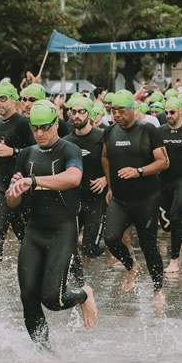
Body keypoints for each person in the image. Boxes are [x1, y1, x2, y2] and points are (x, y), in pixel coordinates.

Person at [6, 100, 98, 349]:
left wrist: (33, 181)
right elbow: (12, 201)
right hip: (34, 232)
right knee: (28, 297)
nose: (39, 133)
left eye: (45, 127)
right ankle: (44, 353)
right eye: (35, 128)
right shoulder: (26, 154)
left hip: (62, 231)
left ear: (55, 124)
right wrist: (15, 190)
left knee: (53, 298)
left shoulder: (69, 149)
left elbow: (73, 178)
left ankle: (83, 294)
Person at [101, 89, 168, 311]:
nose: (116, 115)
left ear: (132, 109)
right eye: (112, 111)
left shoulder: (148, 130)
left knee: (149, 246)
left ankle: (158, 289)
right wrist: (110, 186)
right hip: (120, 199)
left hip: (146, 199)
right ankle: (131, 267)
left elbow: (163, 162)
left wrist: (138, 171)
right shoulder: (110, 131)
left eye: (121, 110)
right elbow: (105, 157)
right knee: (110, 238)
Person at [0, 82, 34, 299]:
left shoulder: (23, 123)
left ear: (14, 100)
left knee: (26, 235)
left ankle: (34, 274)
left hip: (22, 185)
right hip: (2, 184)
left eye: (3, 99)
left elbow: (34, 151)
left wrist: (12, 151)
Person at [64, 96, 107, 262]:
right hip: (74, 199)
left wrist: (105, 179)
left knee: (90, 247)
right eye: (73, 112)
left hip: (96, 199)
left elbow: (116, 162)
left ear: (89, 114)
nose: (77, 115)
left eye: (81, 112)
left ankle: (101, 248)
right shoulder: (67, 141)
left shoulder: (102, 136)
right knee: (69, 243)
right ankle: (82, 280)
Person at [160, 98, 182, 275]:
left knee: (175, 217)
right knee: (167, 225)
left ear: (180, 111)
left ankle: (174, 260)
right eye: (166, 112)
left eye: (172, 112)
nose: (168, 116)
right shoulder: (160, 131)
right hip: (164, 182)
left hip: (181, 182)